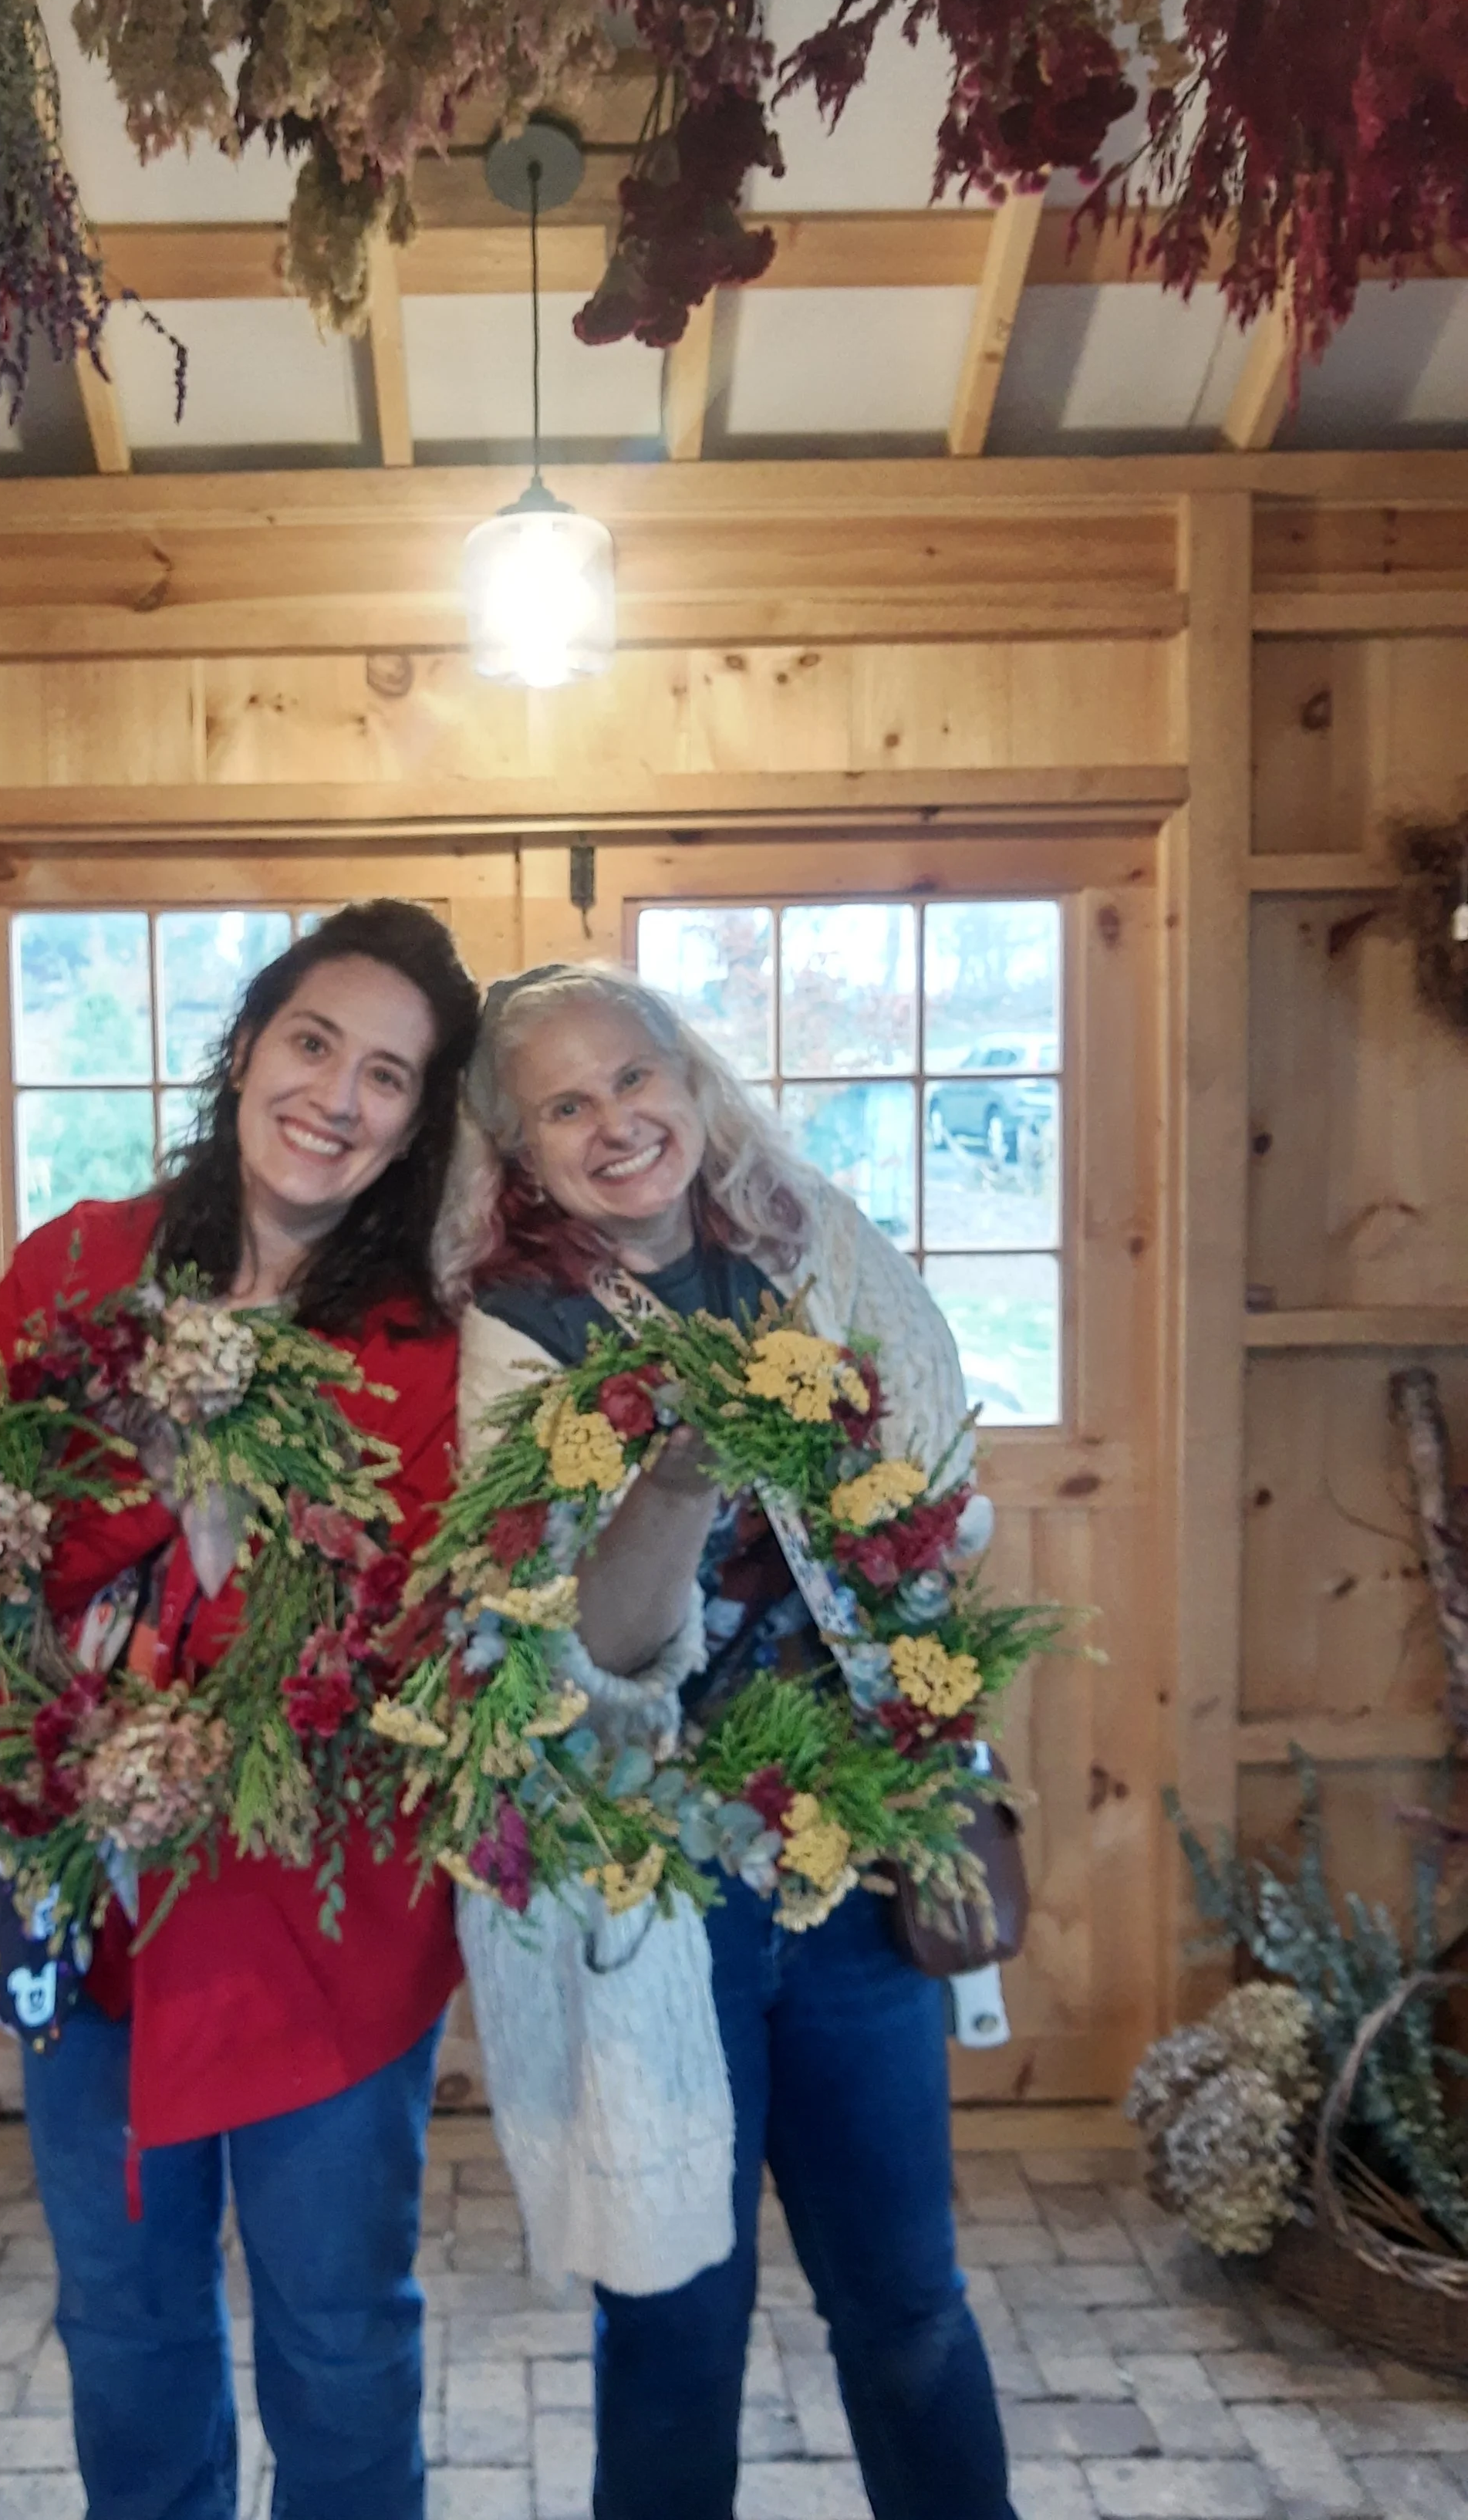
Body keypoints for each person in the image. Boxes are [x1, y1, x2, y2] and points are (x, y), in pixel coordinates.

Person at [440, 961, 1015, 2520]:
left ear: (689, 1081)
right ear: (517, 1147)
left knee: (905, 2303)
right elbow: (580, 1651)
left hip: (851, 1873)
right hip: (653, 1899)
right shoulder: (519, 1331)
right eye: (564, 1104)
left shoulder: (810, 1242)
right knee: (676, 2328)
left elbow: (940, 1489)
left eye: (635, 1077)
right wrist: (679, 1481)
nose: (615, 1121)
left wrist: (922, 1593)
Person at [0, 901, 480, 2520]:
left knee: (333, 2333)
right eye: (313, 1041)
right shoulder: (77, 1265)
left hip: (319, 1916)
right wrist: (164, 1508)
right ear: (247, 1043)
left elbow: (402, 1616)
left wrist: (212, 1664)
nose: (336, 1093)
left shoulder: (426, 1345)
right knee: (122, 2320)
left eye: (387, 1075)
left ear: (418, 1121)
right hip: (95, 1898)